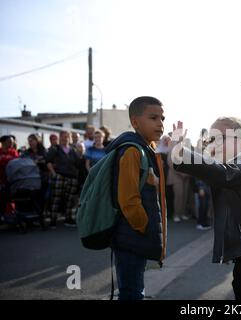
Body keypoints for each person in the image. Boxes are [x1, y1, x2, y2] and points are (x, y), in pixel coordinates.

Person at [169, 117, 241, 300]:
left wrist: (181, 153)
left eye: (221, 137)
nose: (214, 144)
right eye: (210, 139)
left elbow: (224, 174)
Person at [105, 96, 165, 300]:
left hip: (134, 236)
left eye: (162, 118)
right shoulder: (132, 150)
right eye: (153, 117)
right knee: (132, 292)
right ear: (135, 122)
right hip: (131, 237)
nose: (160, 123)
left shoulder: (146, 148)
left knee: (134, 288)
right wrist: (144, 226)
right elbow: (128, 200)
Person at [46, 131, 81, 228]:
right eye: (63, 137)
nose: (65, 138)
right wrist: (54, 174)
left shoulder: (73, 150)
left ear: (69, 138)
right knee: (56, 199)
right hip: (60, 176)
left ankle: (68, 219)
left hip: (72, 178)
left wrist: (80, 152)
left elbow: (78, 164)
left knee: (69, 200)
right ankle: (53, 220)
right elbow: (48, 161)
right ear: (60, 138)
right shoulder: (55, 149)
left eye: (67, 137)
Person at [21, 134, 49, 214]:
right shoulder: (27, 152)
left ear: (37, 141)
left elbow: (48, 162)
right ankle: (33, 215)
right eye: (29, 141)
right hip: (31, 179)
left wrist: (40, 162)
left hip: (43, 178)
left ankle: (40, 214)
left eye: (32, 141)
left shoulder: (44, 151)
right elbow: (23, 162)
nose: (30, 143)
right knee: (33, 197)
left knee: (42, 197)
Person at [0, 135, 19, 216]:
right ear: (3, 142)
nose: (12, 143)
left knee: (10, 198)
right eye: (9, 141)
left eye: (12, 141)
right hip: (1, 178)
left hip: (11, 179)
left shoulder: (14, 152)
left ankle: (10, 214)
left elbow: (18, 163)